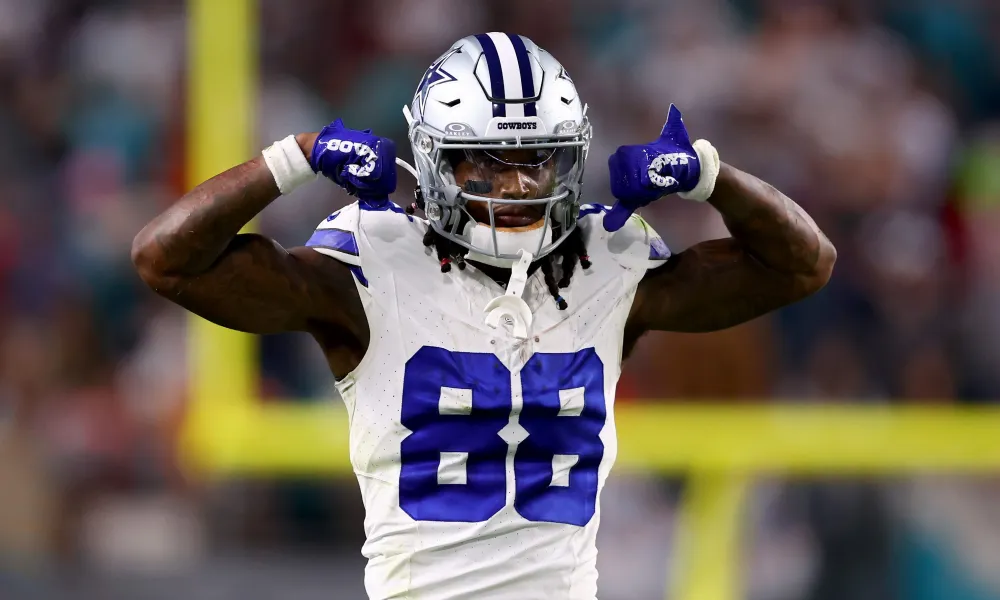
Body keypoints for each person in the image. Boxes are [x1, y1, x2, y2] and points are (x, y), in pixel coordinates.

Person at [132, 32, 835, 600]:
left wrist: (710, 175)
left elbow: (804, 264)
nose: (519, 186)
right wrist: (297, 155)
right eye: (488, 165)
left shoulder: (610, 262)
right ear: (436, 160)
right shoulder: (371, 264)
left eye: (538, 161)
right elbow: (166, 259)